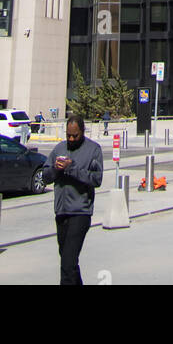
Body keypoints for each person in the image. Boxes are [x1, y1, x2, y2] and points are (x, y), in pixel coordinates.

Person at [42, 114, 104, 285]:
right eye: (68, 135)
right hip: (61, 212)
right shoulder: (59, 149)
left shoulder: (94, 150)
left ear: (82, 132)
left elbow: (96, 179)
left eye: (74, 135)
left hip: (80, 212)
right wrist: (55, 169)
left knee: (67, 263)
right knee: (68, 259)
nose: (71, 138)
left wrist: (72, 168)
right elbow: (45, 177)